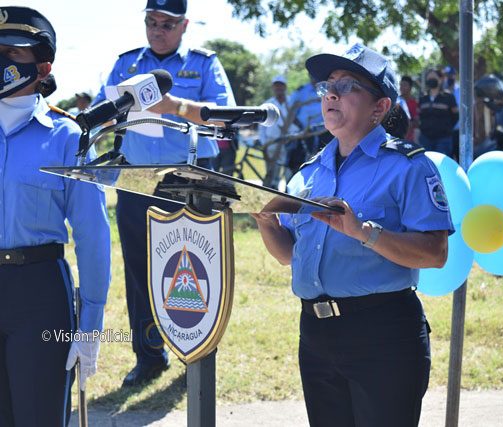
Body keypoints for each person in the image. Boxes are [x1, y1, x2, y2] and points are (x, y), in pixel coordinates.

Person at [252, 43, 454, 427]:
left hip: (382, 334)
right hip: (316, 334)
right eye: (327, 86)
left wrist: (363, 232)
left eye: (346, 86)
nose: (331, 94)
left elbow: (435, 253)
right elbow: (288, 255)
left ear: (380, 107)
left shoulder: (409, 167)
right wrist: (265, 220)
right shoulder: (308, 173)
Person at [93, 0, 235, 387]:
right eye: (151, 22)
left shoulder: (204, 64)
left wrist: (176, 107)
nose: (157, 30)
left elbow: (225, 117)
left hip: (191, 179)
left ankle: (198, 351)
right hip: (137, 178)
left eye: (167, 24)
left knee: (196, 269)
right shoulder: (127, 63)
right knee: (140, 270)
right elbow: (101, 110)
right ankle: (149, 355)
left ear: (184, 25)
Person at [0, 7, 111, 425]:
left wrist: (91, 323)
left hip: (39, 294)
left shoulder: (68, 138)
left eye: (12, 52)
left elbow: (92, 234)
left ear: (43, 66)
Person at [259, 75, 299, 189]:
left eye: (281, 85)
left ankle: (288, 196)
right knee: (272, 174)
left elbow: (298, 123)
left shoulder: (292, 103)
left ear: (285, 87)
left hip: (289, 143)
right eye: (276, 85)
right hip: (272, 143)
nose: (278, 88)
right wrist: (264, 143)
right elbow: (261, 127)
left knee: (289, 174)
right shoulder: (267, 104)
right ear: (273, 87)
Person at [287, 74, 329, 170]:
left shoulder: (328, 89)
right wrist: (298, 126)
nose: (314, 77)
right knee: (297, 162)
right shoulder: (301, 91)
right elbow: (291, 110)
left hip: (324, 133)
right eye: (312, 75)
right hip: (303, 133)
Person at [418, 68, 458, 157]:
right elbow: (420, 115)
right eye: (429, 78)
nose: (431, 80)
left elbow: (455, 116)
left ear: (440, 79)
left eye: (434, 78)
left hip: (443, 139)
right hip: (425, 139)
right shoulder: (423, 97)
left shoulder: (448, 97)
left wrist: (446, 128)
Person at [442, 65, 460, 160]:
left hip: (458, 131)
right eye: (447, 75)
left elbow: (472, 110)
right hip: (444, 132)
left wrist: (474, 132)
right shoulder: (440, 91)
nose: (449, 77)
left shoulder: (461, 90)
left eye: (451, 75)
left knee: (460, 158)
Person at [398, 75, 419, 141]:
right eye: (401, 85)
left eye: (404, 85)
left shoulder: (414, 103)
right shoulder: (396, 101)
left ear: (410, 87)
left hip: (409, 139)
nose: (401, 87)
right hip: (396, 137)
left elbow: (416, 122)